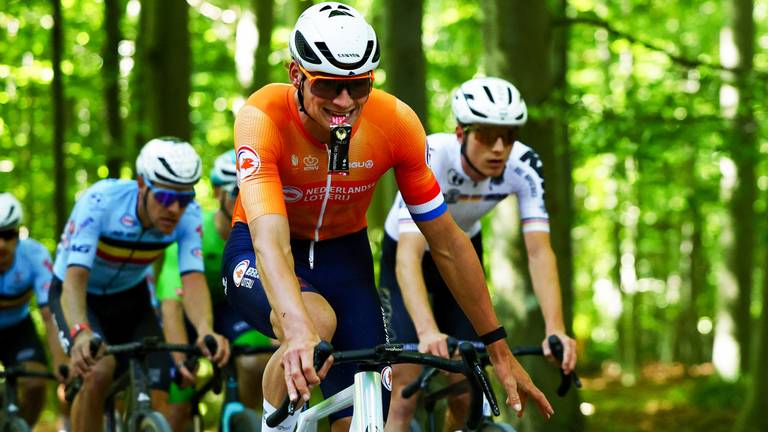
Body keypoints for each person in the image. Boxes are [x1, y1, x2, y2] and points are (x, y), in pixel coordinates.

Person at [221, 3, 553, 431]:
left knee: (366, 413)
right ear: (296, 75)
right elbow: (271, 240)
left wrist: (499, 349)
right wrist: (297, 329)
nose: (344, 102)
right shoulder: (262, 116)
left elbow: (448, 242)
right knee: (313, 323)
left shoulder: (395, 122)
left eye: (359, 87)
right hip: (262, 246)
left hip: (347, 258)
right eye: (328, 86)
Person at [379, 77, 578, 431]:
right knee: (403, 394)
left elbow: (539, 251)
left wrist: (556, 329)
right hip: (409, 254)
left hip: (462, 252)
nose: (499, 147)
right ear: (461, 133)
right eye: (486, 135)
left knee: (468, 390)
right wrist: (426, 332)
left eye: (509, 135)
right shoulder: (431, 155)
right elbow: (408, 255)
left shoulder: (524, 164)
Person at [48, 137, 231, 432]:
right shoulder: (100, 203)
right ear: (142, 184)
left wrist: (205, 329)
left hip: (131, 297)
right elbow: (75, 278)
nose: (175, 209)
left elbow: (193, 279)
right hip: (79, 294)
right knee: (98, 371)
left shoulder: (189, 216)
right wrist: (81, 332)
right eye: (165, 197)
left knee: (161, 378)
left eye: (184, 199)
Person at [156, 150, 273, 430]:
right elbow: (171, 304)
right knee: (177, 403)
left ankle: (242, 417)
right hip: (187, 312)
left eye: (252, 192)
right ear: (218, 192)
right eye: (236, 192)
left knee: (257, 362)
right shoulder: (195, 233)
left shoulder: (261, 234)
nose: (244, 202)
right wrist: (180, 360)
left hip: (232, 309)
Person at [0, 193, 67, 427]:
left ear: (18, 235)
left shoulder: (34, 255)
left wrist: (61, 360)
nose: (1, 244)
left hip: (19, 328)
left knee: (36, 383)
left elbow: (49, 314)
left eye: (8, 235)